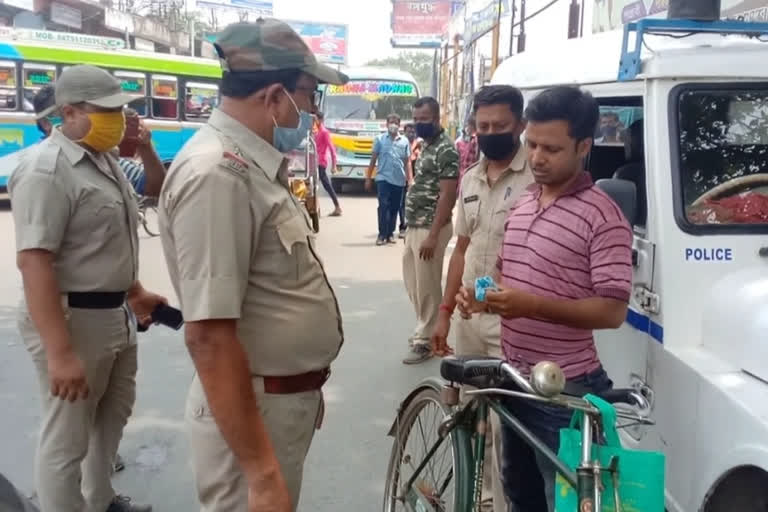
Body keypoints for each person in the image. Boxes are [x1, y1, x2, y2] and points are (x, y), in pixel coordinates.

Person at [157, 19, 347, 512]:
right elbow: (209, 336)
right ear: (276, 96)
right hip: (256, 411)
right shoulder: (219, 174)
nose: (312, 111)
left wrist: (303, 384)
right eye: (309, 96)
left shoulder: (249, 165)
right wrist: (262, 472)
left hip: (275, 402)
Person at [457, 86, 633, 512]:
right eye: (532, 145)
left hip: (565, 392)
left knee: (569, 503)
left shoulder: (602, 216)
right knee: (521, 495)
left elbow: (612, 311)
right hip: (515, 382)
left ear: (584, 146)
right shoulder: (525, 201)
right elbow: (504, 273)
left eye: (551, 149)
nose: (536, 157)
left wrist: (531, 306)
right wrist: (480, 299)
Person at [8, 65, 166, 512]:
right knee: (68, 438)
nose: (119, 119)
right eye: (108, 111)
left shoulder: (104, 160)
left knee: (110, 421)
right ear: (70, 112)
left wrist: (134, 292)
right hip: (73, 319)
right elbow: (35, 261)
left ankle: (101, 500)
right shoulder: (46, 170)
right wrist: (59, 353)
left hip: (115, 313)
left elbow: (133, 213)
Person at [432, 85, 532, 512]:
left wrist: (484, 295)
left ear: (520, 126)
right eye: (483, 126)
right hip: (468, 318)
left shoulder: (535, 177)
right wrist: (444, 312)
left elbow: (527, 257)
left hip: (511, 320)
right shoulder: (471, 177)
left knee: (508, 425)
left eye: (501, 126)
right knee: (474, 420)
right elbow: (462, 247)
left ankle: (499, 501)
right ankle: (478, 499)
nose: (490, 133)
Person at [402, 97, 459, 365]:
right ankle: (424, 328)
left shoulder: (446, 149)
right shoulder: (426, 146)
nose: (419, 123)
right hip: (415, 225)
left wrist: (434, 235)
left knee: (426, 285)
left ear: (437, 118)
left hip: (430, 227)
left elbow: (448, 195)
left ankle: (426, 340)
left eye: (424, 119)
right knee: (414, 284)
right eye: (416, 119)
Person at [34, 85, 165, 198]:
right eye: (68, 113)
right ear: (46, 123)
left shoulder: (104, 156)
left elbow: (155, 188)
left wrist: (145, 146)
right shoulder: (39, 168)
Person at [367, 113, 412, 245]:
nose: (393, 125)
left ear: (399, 125)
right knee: (383, 205)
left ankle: (390, 233)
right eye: (390, 122)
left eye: (396, 123)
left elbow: (407, 161)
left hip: (399, 180)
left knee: (394, 207)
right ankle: (382, 234)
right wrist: (368, 178)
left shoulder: (404, 141)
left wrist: (410, 179)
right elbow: (373, 159)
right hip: (383, 178)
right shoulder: (380, 139)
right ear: (386, 125)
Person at [313, 111, 342, 216]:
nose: (314, 121)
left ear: (320, 120)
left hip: (321, 162)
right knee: (315, 185)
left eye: (316, 119)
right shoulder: (316, 131)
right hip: (315, 161)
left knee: (326, 185)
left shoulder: (324, 132)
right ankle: (317, 207)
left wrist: (334, 165)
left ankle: (337, 207)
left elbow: (332, 149)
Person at [397, 123, 419, 238]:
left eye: (413, 132)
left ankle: (413, 226)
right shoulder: (400, 144)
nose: (411, 134)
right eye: (408, 131)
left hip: (417, 179)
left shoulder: (420, 144)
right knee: (402, 204)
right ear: (404, 132)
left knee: (415, 203)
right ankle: (403, 226)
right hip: (402, 178)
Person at [456, 115, 479, 188]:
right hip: (464, 175)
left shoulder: (475, 140)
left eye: (468, 125)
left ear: (472, 126)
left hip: (470, 176)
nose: (467, 128)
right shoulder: (469, 140)